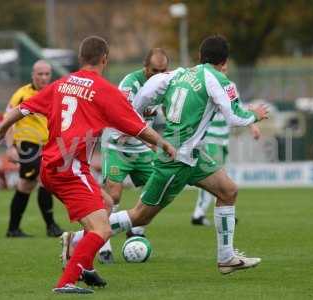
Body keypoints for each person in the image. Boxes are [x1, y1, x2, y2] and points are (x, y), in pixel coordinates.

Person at [63, 35, 269, 275]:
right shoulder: (219, 80)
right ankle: (77, 239)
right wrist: (255, 114)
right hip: (176, 158)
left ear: (201, 57)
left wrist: (135, 120)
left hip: (192, 153)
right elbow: (236, 118)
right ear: (225, 62)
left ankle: (226, 258)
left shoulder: (179, 74)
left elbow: (143, 96)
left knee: (228, 190)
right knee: (140, 216)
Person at [0, 36, 176, 294]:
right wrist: (162, 143)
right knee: (102, 228)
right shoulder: (104, 90)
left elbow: (25, 108)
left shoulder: (61, 84)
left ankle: (85, 266)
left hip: (54, 164)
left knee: (107, 204)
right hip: (69, 167)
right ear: (105, 59)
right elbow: (138, 126)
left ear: (80, 58)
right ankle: (67, 280)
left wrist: (3, 126)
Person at [97, 48, 169, 263]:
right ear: (145, 67)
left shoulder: (165, 83)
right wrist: (154, 142)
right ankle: (104, 245)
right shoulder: (130, 84)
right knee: (114, 195)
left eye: (163, 70)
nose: (159, 75)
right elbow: (123, 120)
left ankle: (135, 229)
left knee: (159, 190)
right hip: (117, 146)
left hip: (141, 148)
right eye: (154, 70)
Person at [4, 60, 63, 238]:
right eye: (40, 74)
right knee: (43, 180)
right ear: (33, 75)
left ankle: (13, 229)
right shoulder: (22, 94)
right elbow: (8, 119)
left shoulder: (55, 92)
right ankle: (51, 226)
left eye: (47, 74)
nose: (44, 77)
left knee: (25, 185)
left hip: (48, 145)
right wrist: (11, 147)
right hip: (29, 145)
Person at [191, 109, 261, 226]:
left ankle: (212, 213)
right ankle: (200, 214)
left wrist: (252, 126)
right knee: (212, 176)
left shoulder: (231, 92)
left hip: (223, 141)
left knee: (220, 177)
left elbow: (239, 110)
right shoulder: (212, 90)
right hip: (211, 139)